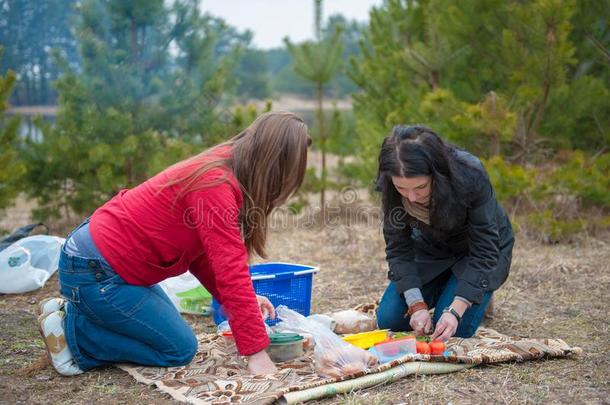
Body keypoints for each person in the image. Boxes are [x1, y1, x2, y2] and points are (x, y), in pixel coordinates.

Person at [37, 111, 311, 376]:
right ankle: (74, 334)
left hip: (106, 264)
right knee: (177, 349)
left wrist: (247, 301)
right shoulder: (214, 183)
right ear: (274, 162)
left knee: (167, 332)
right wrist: (256, 353)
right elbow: (230, 270)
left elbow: (205, 255)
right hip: (96, 271)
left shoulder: (227, 165)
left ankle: (77, 311)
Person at [375, 125, 514, 341]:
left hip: (478, 250)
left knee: (454, 328)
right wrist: (417, 305)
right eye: (402, 189)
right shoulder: (391, 185)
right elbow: (398, 249)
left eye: (420, 187)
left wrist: (455, 310)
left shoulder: (470, 173)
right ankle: (451, 287)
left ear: (436, 174)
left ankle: (474, 289)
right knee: (390, 320)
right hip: (433, 248)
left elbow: (485, 249)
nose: (411, 198)